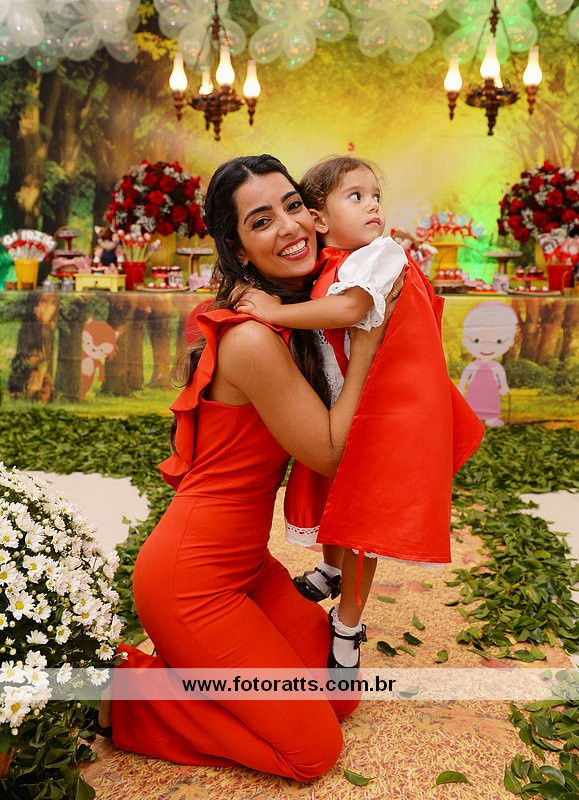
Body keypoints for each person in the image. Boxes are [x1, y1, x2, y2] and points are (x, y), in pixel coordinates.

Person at [99, 154, 403, 782]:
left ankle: (205, 672)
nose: (289, 227)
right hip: (192, 584)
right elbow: (329, 453)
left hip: (247, 569)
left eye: (293, 207)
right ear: (237, 249)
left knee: (340, 694)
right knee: (312, 751)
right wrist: (368, 339)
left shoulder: (294, 314)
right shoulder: (252, 338)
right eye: (261, 221)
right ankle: (117, 691)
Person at [236, 156, 485, 675]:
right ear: (319, 219)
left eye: (375, 196)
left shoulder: (380, 255)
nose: (373, 205)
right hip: (351, 404)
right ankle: (331, 570)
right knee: (338, 499)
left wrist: (275, 312)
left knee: (361, 524)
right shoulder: (333, 263)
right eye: (356, 196)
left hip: (386, 412)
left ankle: (348, 625)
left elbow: (350, 311)